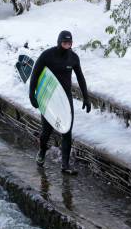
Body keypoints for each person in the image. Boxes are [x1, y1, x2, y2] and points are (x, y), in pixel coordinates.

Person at [29, 30, 91, 175]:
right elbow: (35, 74)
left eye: (69, 43)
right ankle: (42, 152)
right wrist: (32, 95)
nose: (66, 46)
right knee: (46, 131)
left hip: (65, 99)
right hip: (49, 98)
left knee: (67, 130)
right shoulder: (47, 55)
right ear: (59, 42)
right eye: (64, 43)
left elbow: (81, 78)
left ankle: (65, 165)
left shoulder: (73, 58)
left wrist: (86, 97)